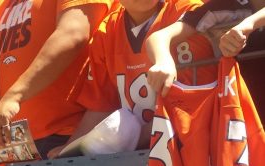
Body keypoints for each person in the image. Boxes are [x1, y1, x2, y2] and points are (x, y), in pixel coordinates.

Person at [52, 0, 216, 157]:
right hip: (135, 156)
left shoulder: (187, 13)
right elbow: (101, 105)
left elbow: (195, 105)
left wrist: (131, 137)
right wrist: (70, 148)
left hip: (186, 147)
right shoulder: (107, 31)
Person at [0, 0, 110, 159]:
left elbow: (74, 33)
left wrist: (14, 97)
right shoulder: (3, 4)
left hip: (65, 137)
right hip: (12, 142)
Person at [146, 1, 265, 97]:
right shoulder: (223, 5)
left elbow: (251, 23)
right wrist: (163, 61)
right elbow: (159, 37)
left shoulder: (246, 20)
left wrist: (249, 24)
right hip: (246, 108)